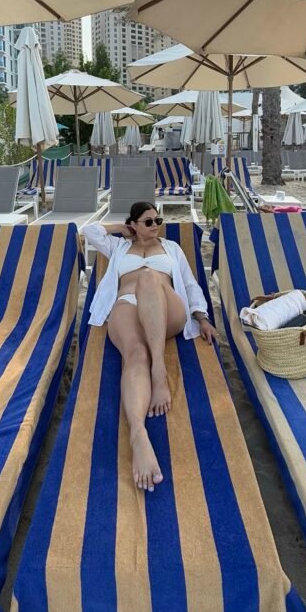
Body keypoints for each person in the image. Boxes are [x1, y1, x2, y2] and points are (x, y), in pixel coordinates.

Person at [84, 202, 218, 492]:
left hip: (166, 310)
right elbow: (89, 231)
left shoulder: (171, 248)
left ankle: (159, 371)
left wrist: (202, 318)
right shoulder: (119, 248)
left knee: (148, 277)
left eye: (158, 219)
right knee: (134, 354)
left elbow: (191, 284)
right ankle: (138, 434)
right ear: (133, 224)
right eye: (147, 221)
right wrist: (124, 230)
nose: (155, 225)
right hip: (127, 306)